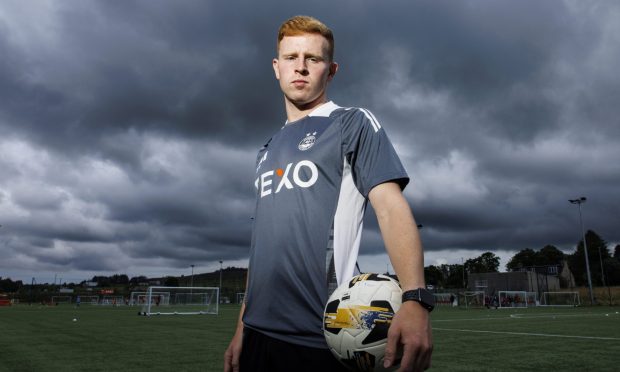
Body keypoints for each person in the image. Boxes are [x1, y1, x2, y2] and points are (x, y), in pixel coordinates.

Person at [224, 15, 433, 372]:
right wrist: (242, 325)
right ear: (276, 67)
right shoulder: (266, 150)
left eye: (313, 59)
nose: (300, 67)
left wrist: (415, 298)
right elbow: (262, 245)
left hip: (323, 335)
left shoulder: (351, 123)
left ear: (331, 70)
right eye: (291, 58)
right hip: (257, 335)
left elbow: (390, 207)